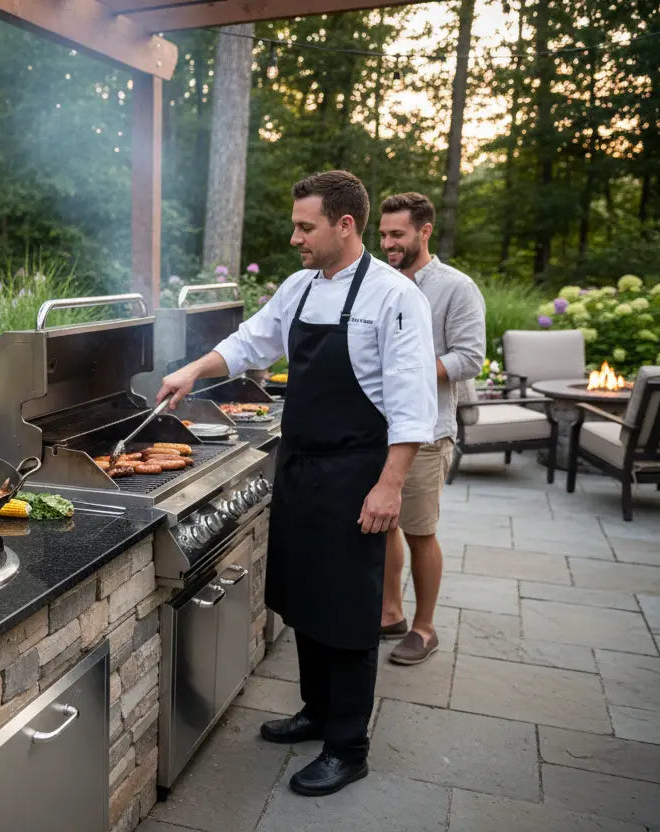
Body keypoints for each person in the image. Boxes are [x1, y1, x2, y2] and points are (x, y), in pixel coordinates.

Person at [158, 171, 437, 797]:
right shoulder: (299, 288)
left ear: (346, 225)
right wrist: (193, 370)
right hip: (303, 465)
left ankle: (348, 744)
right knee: (307, 596)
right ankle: (317, 711)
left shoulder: (396, 298)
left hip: (359, 473)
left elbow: (414, 405)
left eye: (305, 226)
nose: (294, 237)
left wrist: (390, 487)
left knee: (349, 610)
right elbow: (251, 340)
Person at [376, 193, 486, 665]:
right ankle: (389, 614)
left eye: (397, 235)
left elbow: (470, 358)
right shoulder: (378, 283)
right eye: (382, 235)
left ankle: (424, 628)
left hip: (425, 431)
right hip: (377, 429)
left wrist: (409, 369)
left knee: (420, 530)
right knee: (382, 526)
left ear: (424, 231)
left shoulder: (456, 288)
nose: (387, 243)